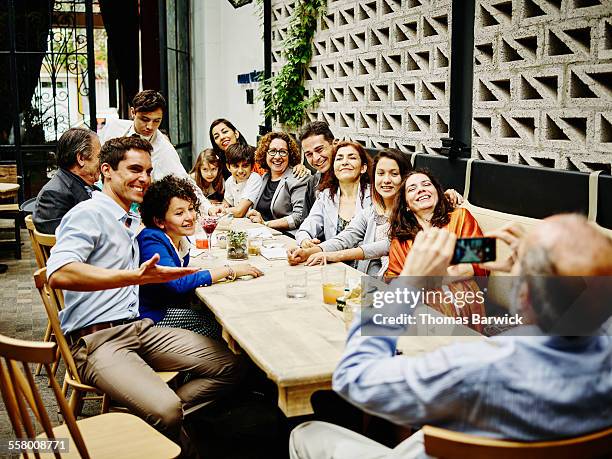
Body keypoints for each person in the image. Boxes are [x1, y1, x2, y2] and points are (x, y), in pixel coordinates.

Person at [289, 215, 612, 458]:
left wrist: (408, 282)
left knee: (306, 433)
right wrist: (526, 258)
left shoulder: (471, 370)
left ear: (524, 298)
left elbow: (354, 376)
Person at [46, 136, 243, 451]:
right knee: (165, 409)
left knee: (232, 366)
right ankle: (163, 423)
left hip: (140, 328)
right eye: (135, 169)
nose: (144, 178)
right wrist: (132, 277)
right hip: (98, 342)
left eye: (149, 171)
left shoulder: (129, 218)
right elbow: (58, 273)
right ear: (106, 170)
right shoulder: (89, 213)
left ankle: (149, 422)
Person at [138, 175, 263, 338]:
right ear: (159, 220)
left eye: (190, 209)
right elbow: (177, 282)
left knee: (231, 316)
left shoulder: (179, 238)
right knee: (227, 328)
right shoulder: (151, 238)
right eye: (179, 213)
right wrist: (229, 270)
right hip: (155, 317)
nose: (189, 217)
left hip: (174, 307)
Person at [386, 169, 487, 329]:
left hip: (460, 294)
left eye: (426, 184)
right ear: (406, 205)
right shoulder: (401, 240)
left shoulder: (459, 217)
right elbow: (392, 278)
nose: (421, 189)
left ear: (437, 193)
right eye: (412, 189)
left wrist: (421, 279)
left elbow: (474, 266)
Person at [287, 149, 409, 275]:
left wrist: (335, 255)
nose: (386, 180)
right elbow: (344, 238)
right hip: (365, 277)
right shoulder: (369, 213)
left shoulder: (410, 211)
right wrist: (307, 252)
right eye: (380, 173)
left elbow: (387, 245)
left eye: (394, 174)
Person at [100, 89, 218, 215]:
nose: (150, 126)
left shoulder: (164, 148)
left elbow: (184, 181)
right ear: (133, 112)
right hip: (106, 199)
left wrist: (209, 208)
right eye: (144, 119)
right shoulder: (113, 128)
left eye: (156, 121)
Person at [293, 141, 372, 249]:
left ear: (363, 168)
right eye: (339, 158)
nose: (345, 162)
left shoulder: (374, 196)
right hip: (332, 262)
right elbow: (307, 227)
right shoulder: (325, 196)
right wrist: (305, 240)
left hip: (364, 263)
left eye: (352, 158)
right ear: (334, 168)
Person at [33, 128, 101, 234]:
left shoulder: (89, 187)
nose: (103, 162)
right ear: (81, 158)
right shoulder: (54, 194)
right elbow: (62, 241)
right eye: (99, 156)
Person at [246, 131, 308, 234]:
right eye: (272, 151)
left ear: (290, 155)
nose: (277, 157)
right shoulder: (264, 177)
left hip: (286, 238)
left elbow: (298, 217)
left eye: (283, 152)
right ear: (265, 154)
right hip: (261, 234)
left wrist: (266, 224)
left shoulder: (298, 178)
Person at [210, 118, 310, 178]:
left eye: (225, 132)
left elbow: (280, 167)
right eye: (216, 136)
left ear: (236, 133)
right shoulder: (218, 165)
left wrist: (298, 167)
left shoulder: (256, 154)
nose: (222, 137)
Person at [298, 121, 336, 223]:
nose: (316, 158)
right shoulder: (313, 182)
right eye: (309, 154)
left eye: (319, 150)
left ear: (334, 144)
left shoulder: (351, 177)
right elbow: (305, 221)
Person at [222, 143, 263, 217]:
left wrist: (223, 210)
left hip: (253, 223)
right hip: (237, 221)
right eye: (235, 166)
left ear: (252, 166)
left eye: (245, 166)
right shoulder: (229, 181)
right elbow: (227, 202)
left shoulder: (254, 179)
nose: (240, 170)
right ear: (228, 167)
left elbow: (240, 212)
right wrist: (223, 206)